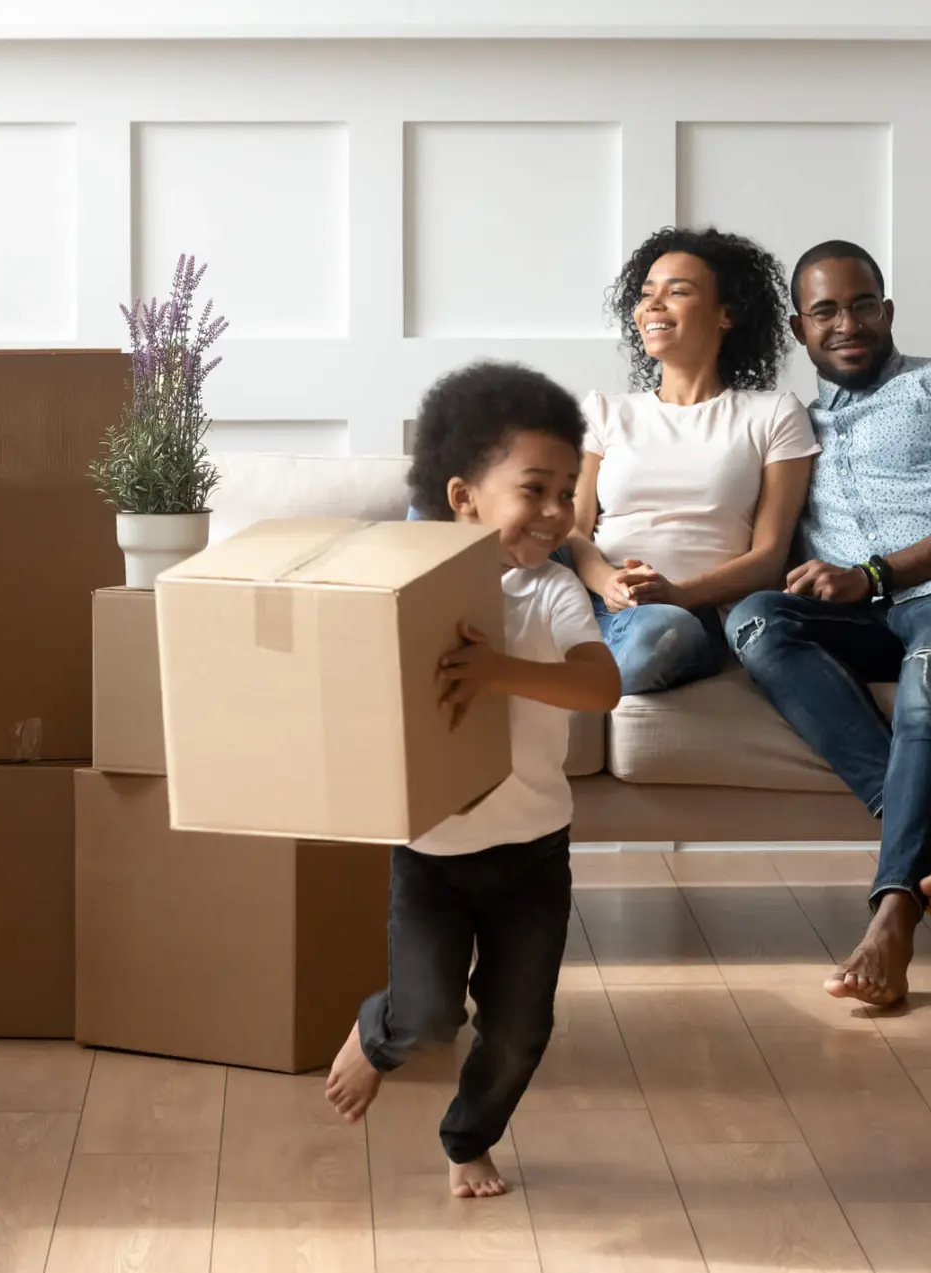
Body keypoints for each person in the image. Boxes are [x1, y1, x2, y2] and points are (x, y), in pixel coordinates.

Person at [326, 362, 622, 1197]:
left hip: (533, 852)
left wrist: (497, 670)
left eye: (568, 490)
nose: (557, 511)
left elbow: (601, 686)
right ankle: (374, 1031)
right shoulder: (405, 591)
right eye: (535, 489)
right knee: (425, 1015)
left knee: (521, 1025)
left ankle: (468, 1139)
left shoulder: (550, 589)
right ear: (464, 497)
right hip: (432, 852)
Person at [725, 240, 931, 1008]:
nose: (847, 322)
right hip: (857, 614)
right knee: (756, 619)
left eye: (862, 303)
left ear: (887, 310)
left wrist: (875, 573)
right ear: (799, 329)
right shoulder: (790, 428)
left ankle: (892, 915)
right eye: (824, 310)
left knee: (930, 673)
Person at [563, 227, 819, 695]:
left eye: (677, 291)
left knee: (662, 631)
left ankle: (562, 673)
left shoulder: (774, 414)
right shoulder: (604, 410)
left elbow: (768, 559)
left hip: (688, 616)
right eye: (645, 295)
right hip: (595, 602)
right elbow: (574, 529)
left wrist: (676, 595)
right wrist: (608, 584)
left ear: (726, 314)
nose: (652, 306)